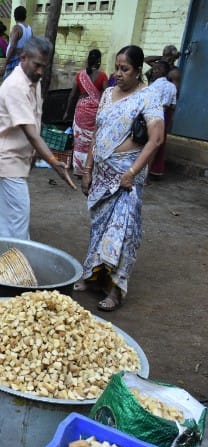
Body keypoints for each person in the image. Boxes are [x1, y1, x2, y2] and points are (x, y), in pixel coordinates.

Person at [75, 45, 164, 312]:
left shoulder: (149, 97)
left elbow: (156, 138)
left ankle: (115, 290)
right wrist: (88, 169)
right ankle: (94, 278)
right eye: (117, 68)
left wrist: (132, 172)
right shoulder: (107, 94)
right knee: (99, 230)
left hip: (126, 179)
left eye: (125, 69)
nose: (118, 73)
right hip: (102, 176)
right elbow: (97, 131)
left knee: (121, 233)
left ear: (138, 72)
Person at [0, 37, 76, 240]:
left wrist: (34, 153)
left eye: (44, 66)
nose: (41, 71)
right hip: (6, 160)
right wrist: (53, 162)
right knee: (17, 220)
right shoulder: (15, 86)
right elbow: (31, 133)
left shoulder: (34, 80)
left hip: (15, 159)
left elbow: (35, 121)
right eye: (37, 65)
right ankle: (15, 268)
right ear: (23, 58)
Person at [62, 49, 107, 176]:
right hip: (95, 112)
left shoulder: (79, 75)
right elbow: (107, 95)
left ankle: (78, 170)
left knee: (79, 140)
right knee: (92, 140)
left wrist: (66, 112)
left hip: (81, 109)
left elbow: (72, 95)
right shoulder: (103, 76)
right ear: (99, 61)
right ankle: (89, 170)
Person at [147, 60, 176, 178]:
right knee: (156, 144)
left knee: (147, 144)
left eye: (155, 69)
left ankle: (142, 175)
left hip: (152, 115)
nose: (153, 72)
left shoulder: (153, 85)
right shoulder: (172, 86)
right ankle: (148, 174)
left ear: (161, 71)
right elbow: (173, 105)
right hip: (164, 116)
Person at [3, 6, 32, 79]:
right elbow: (31, 46)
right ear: (25, 15)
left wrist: (4, 64)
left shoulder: (17, 28)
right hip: (23, 62)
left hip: (14, 63)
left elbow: (12, 47)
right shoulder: (29, 28)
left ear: (15, 15)